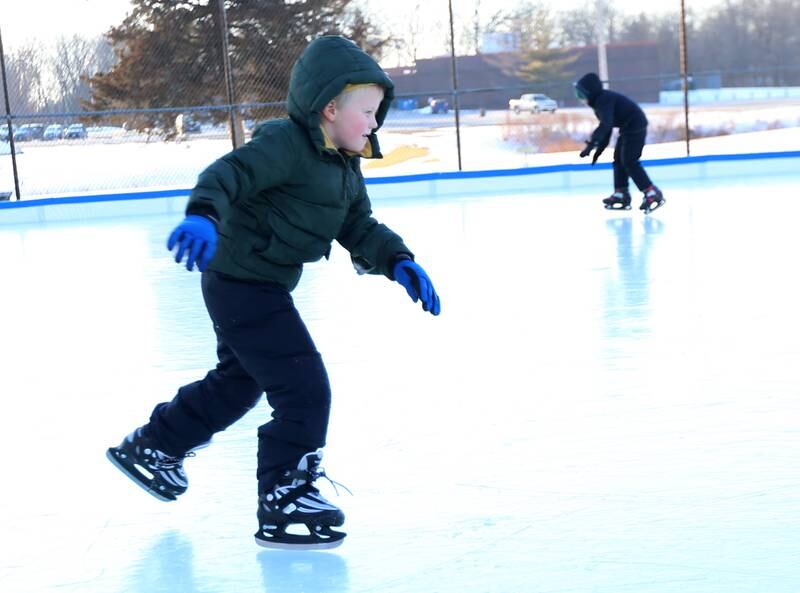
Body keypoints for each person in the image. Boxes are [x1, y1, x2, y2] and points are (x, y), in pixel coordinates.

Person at [106, 36, 441, 551]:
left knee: (239, 383)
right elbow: (229, 174)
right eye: (368, 111)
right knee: (304, 388)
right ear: (329, 107)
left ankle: (154, 446)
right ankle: (285, 493)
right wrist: (203, 214)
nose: (375, 123)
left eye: (379, 112)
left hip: (252, 282)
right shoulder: (285, 144)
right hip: (242, 282)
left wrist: (398, 260)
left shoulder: (344, 165)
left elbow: (358, 226)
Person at [574, 72, 665, 214]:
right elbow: (607, 128)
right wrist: (598, 149)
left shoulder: (603, 100)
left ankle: (651, 192)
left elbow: (606, 124)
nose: (580, 99)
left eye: (581, 94)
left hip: (635, 125)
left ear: (589, 92)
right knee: (618, 160)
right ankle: (621, 193)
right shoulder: (600, 101)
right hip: (628, 127)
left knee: (629, 161)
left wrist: (592, 144)